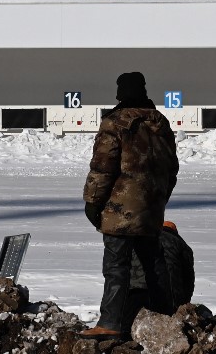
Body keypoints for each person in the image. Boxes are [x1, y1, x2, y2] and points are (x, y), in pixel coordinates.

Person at [81, 72, 180, 340]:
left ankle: (110, 322)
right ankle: (165, 317)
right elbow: (171, 169)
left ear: (120, 94)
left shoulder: (115, 123)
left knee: (116, 266)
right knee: (154, 263)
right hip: (150, 209)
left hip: (119, 210)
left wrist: (92, 202)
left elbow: (102, 168)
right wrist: (158, 200)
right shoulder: (161, 124)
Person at [120, 220, 197, 331]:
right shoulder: (182, 245)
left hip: (136, 294)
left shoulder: (139, 240)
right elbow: (188, 280)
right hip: (171, 298)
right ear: (175, 231)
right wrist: (184, 305)